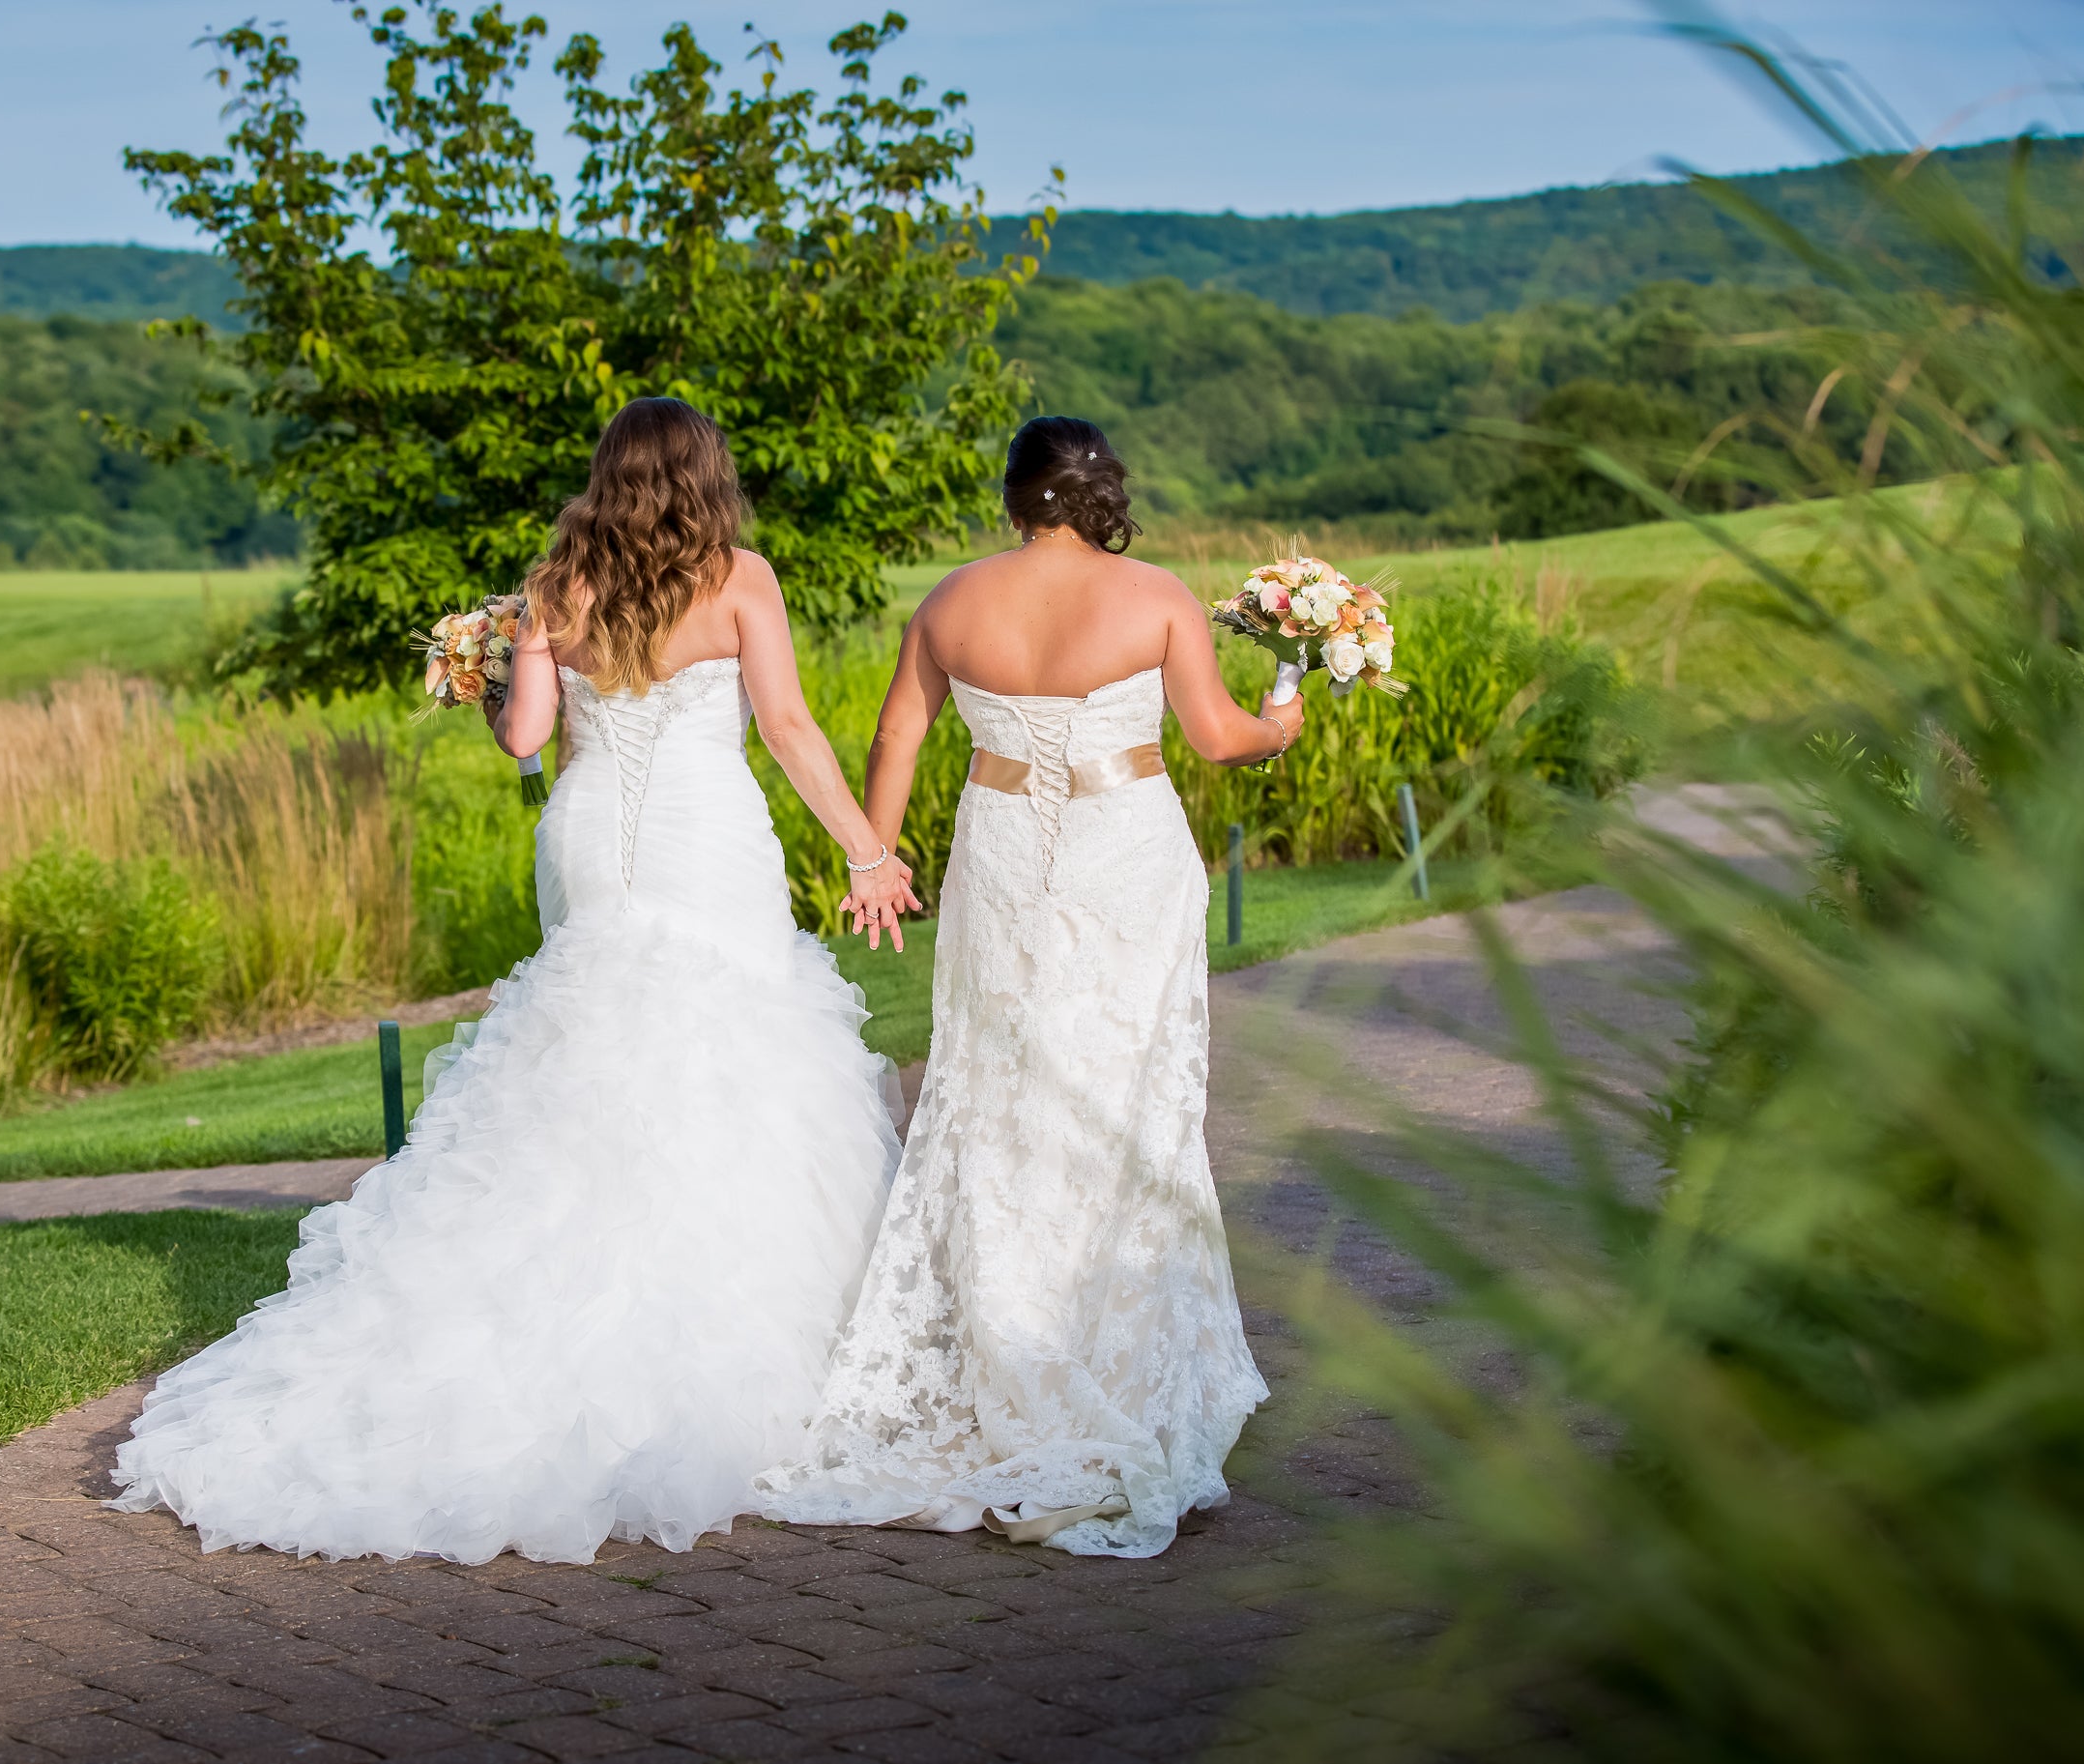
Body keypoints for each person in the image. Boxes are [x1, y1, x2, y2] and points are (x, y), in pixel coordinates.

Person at [111, 397, 919, 1564]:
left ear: (606, 473)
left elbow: (526, 742)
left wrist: (490, 673)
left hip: (588, 838)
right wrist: (864, 847)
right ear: (703, 474)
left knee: (590, 1042)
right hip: (706, 834)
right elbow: (787, 725)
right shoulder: (742, 576)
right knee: (725, 1041)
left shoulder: (553, 588)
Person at [760, 415, 1303, 1557]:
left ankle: (1009, 1352)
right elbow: (1214, 738)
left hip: (999, 852)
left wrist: (878, 855)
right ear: (1099, 492)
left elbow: (897, 730)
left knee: (995, 1094)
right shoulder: (1153, 592)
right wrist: (1279, 723)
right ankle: (1103, 1351)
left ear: (1012, 497)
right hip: (1126, 854)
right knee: (1124, 1092)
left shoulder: (951, 603)